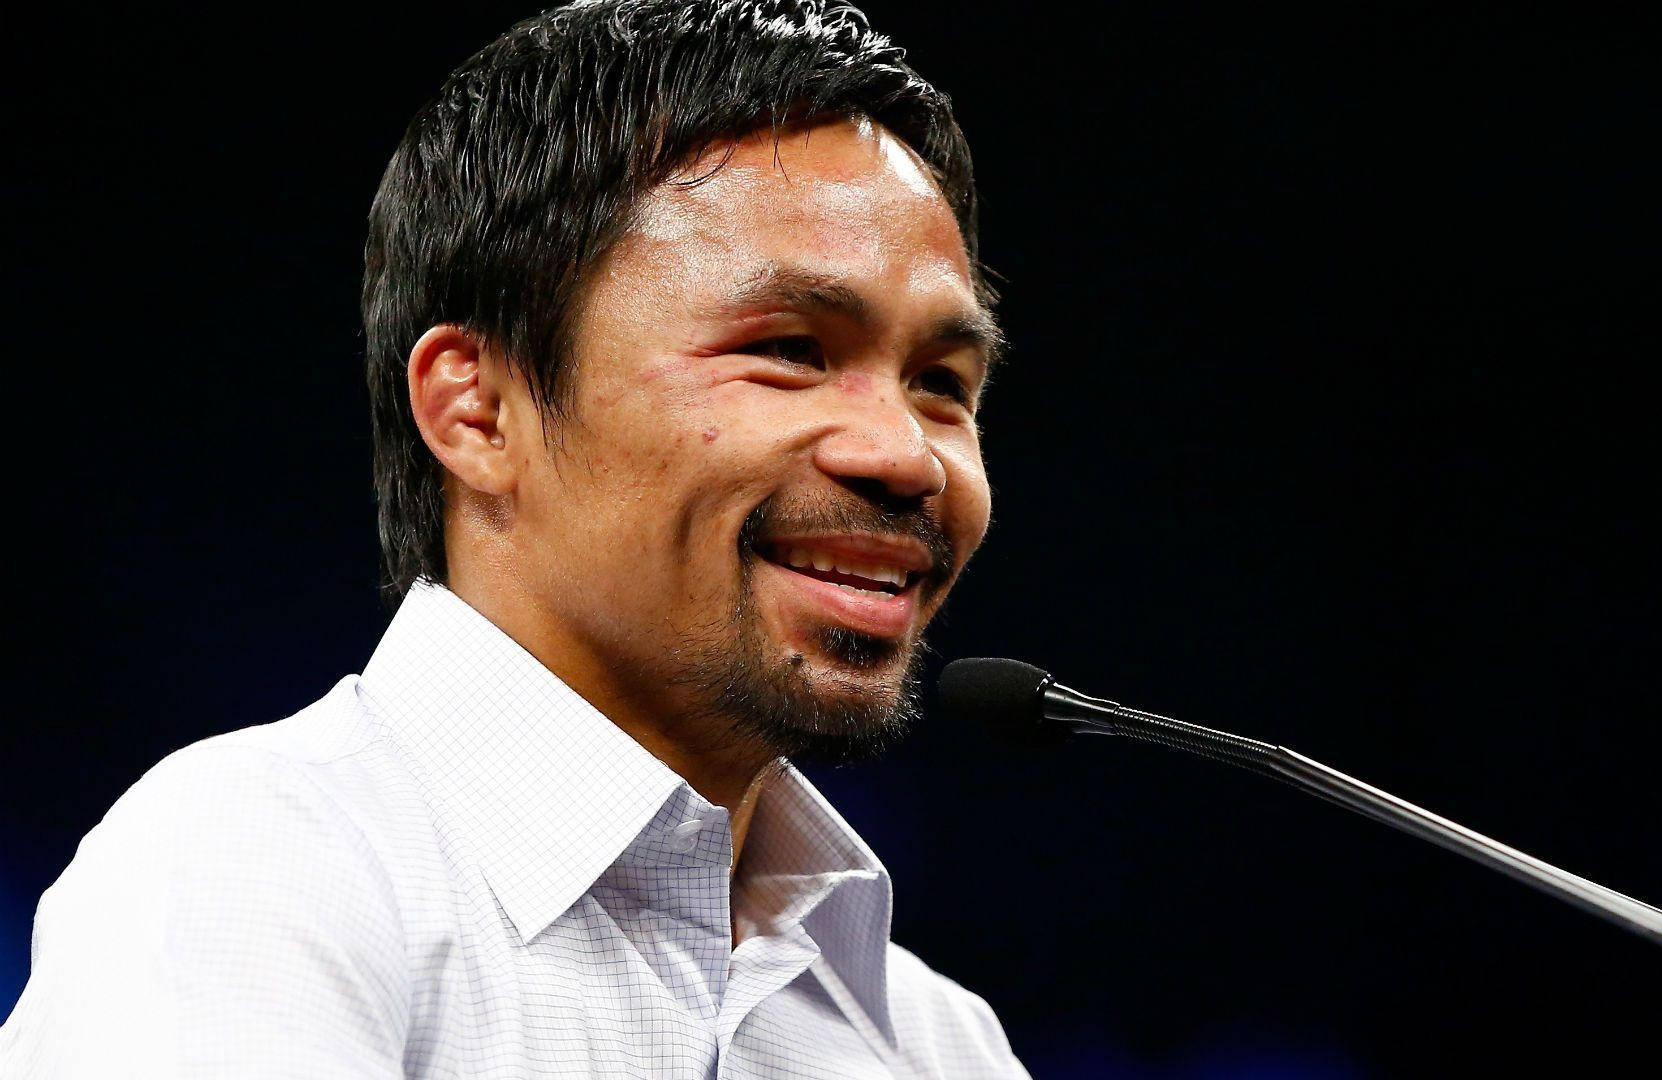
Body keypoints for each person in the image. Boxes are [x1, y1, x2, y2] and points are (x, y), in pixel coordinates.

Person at [0, 1, 1028, 1075]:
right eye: (789, 349)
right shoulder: (252, 875)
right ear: (480, 411)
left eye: (943, 385)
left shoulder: (937, 1043)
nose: (909, 456)